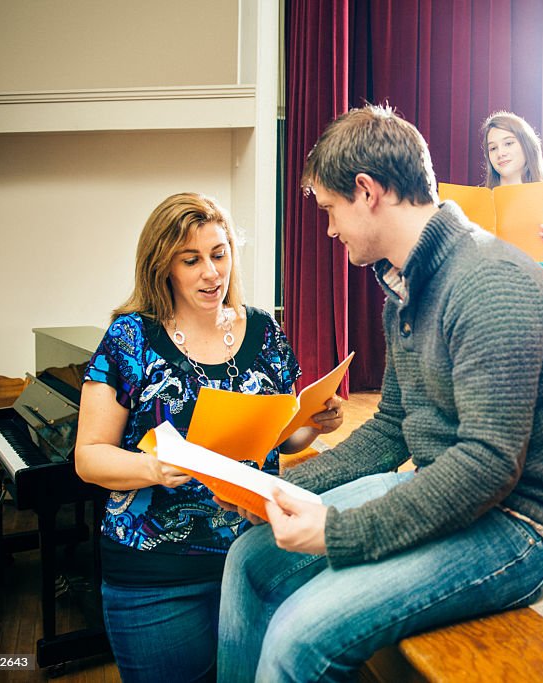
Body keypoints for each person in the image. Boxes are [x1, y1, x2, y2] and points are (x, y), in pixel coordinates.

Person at [216, 105, 543, 682]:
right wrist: (276, 488)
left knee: (299, 636)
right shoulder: (406, 287)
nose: (330, 229)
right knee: (250, 559)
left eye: (330, 210)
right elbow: (393, 425)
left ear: (366, 191)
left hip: (523, 527)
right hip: (453, 490)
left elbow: (490, 466)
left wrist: (338, 532)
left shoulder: (490, 281)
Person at [74, 192, 343, 683]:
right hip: (156, 576)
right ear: (163, 266)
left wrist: (314, 422)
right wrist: (153, 468)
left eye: (219, 254)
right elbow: (89, 457)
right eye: (191, 259)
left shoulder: (265, 331)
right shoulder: (129, 338)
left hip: (256, 560)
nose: (211, 273)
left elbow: (283, 439)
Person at [482, 111, 543, 310]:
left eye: (508, 143)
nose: (500, 153)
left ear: (527, 146)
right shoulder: (478, 205)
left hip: (531, 316)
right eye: (493, 148)